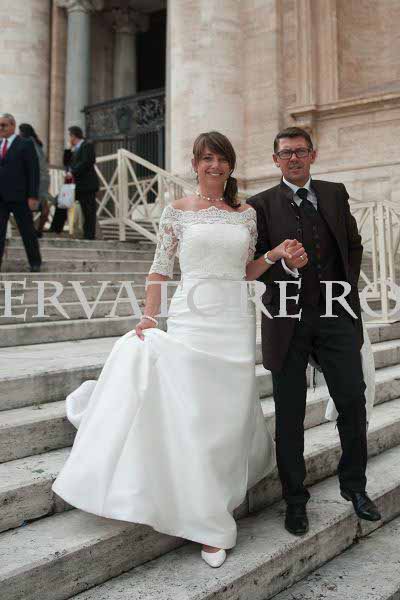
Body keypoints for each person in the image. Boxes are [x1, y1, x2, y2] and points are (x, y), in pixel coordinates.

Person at [52, 131, 305, 568]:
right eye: (207, 158)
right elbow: (159, 269)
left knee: (227, 414)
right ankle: (205, 515)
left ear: (230, 165)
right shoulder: (177, 211)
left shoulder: (246, 214)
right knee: (195, 413)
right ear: (195, 164)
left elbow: (245, 270)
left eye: (221, 158)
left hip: (233, 320)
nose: (214, 166)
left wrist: (274, 255)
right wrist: (150, 316)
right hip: (192, 318)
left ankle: (218, 491)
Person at [247, 126, 381, 537]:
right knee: (289, 414)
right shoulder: (260, 205)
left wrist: (343, 288)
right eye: (286, 153)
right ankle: (295, 500)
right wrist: (285, 267)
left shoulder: (335, 194)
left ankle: (354, 486)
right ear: (275, 160)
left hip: (335, 315)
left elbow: (353, 245)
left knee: (352, 400)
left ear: (313, 155)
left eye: (300, 151)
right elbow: (254, 264)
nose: (294, 158)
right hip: (286, 320)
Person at [0, 113, 41, 272]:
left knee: (27, 231)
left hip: (20, 197)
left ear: (13, 125)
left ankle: (35, 262)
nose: (1, 128)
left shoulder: (25, 144)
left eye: (3, 125)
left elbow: (33, 171)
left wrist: (33, 196)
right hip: (1, 197)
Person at [65, 126, 99, 240]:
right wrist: (68, 150)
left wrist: (73, 172)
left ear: (73, 136)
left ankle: (89, 235)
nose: (69, 138)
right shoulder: (74, 149)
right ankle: (56, 227)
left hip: (87, 185)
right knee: (62, 202)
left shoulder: (87, 145)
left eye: (69, 136)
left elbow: (86, 162)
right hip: (77, 185)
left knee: (88, 211)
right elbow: (66, 163)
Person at [19, 123, 50, 238]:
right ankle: (39, 230)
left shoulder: (27, 143)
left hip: (35, 178)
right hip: (44, 178)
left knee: (29, 204)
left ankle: (31, 230)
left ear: (23, 133)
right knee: (43, 204)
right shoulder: (37, 143)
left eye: (20, 132)